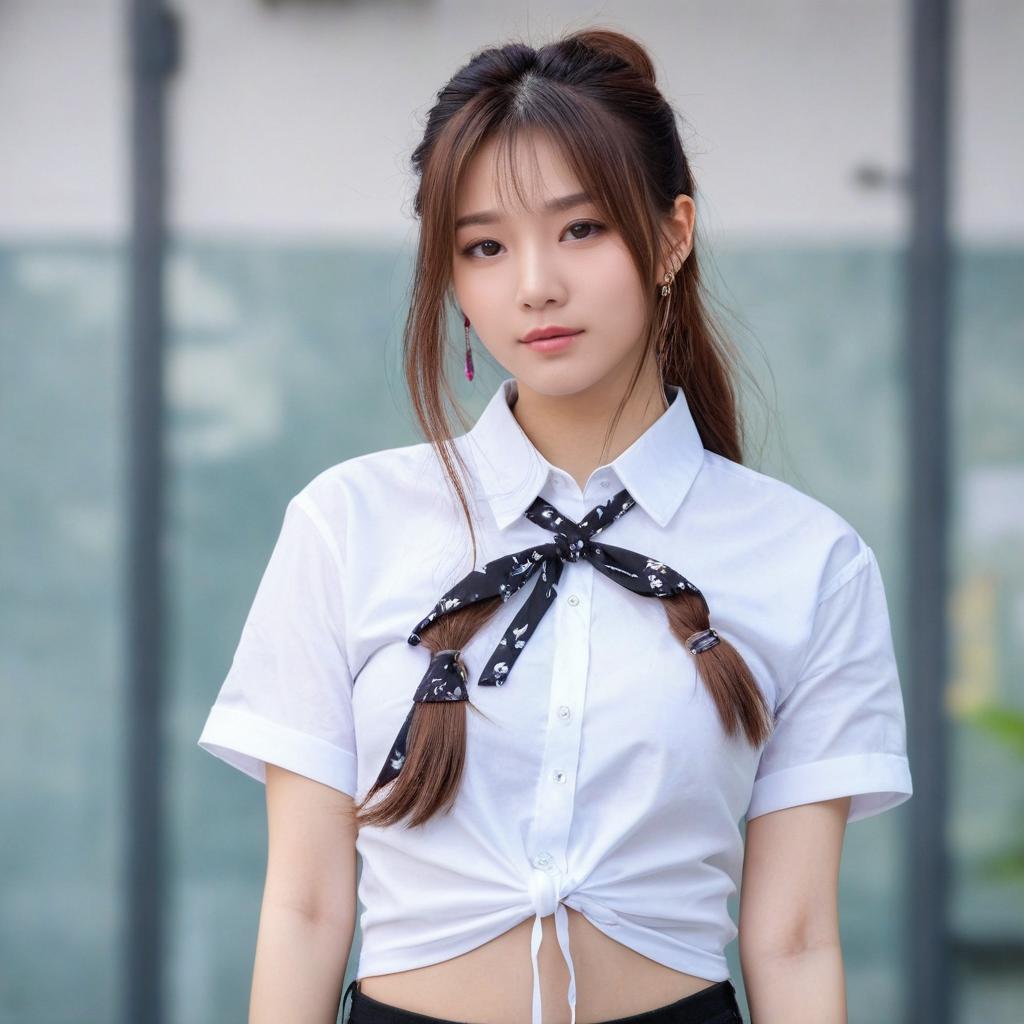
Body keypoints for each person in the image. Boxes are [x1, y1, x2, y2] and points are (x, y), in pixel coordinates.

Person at [197, 25, 913, 1024]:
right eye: (484, 246)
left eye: (580, 229)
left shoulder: (808, 559)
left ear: (671, 235)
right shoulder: (346, 524)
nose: (533, 283)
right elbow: (307, 906)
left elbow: (793, 937)